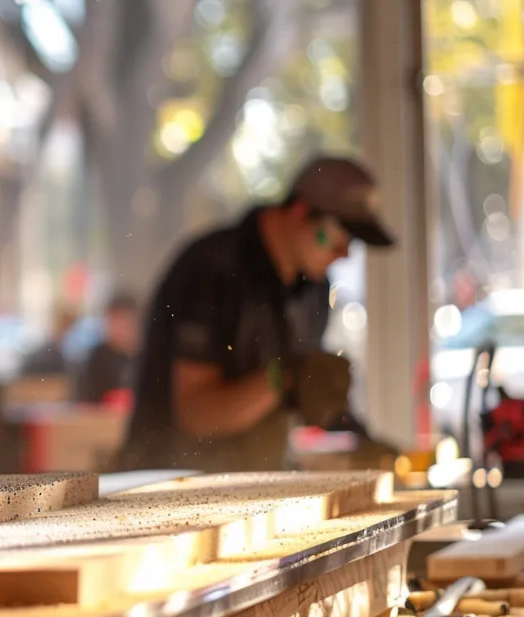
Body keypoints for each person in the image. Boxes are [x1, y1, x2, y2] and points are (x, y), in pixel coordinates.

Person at [117, 157, 396, 472]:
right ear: (300, 210)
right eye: (339, 237)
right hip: (167, 486)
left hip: (254, 482)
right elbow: (196, 415)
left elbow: (294, 397)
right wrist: (286, 377)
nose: (345, 253)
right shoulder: (211, 270)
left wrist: (350, 428)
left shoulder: (313, 290)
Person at [75, 293, 140, 407]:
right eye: (113, 320)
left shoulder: (143, 356)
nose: (118, 327)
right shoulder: (98, 356)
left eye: (123, 320)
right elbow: (87, 399)